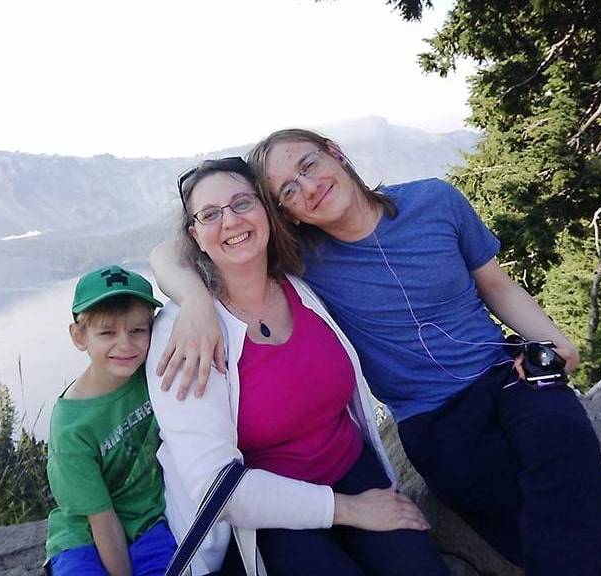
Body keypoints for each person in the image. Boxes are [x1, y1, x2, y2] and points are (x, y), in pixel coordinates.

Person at [150, 129, 601, 575]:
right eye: (289, 191)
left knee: (565, 445)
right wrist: (194, 301)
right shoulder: (303, 261)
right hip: (427, 417)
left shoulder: (423, 207)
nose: (308, 187)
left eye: (309, 165)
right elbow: (173, 251)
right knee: (505, 495)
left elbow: (495, 284)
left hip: (502, 370)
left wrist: (553, 340)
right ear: (286, 214)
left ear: (335, 151)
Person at [148, 157, 449, 576]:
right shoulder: (184, 334)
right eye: (211, 214)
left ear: (267, 211)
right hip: (265, 513)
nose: (231, 221)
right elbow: (216, 487)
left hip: (349, 466)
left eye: (242, 203)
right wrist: (350, 510)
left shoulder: (304, 281)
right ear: (194, 235)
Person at [45, 265, 176, 576]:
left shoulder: (151, 374)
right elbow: (101, 520)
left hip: (147, 523)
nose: (125, 345)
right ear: (79, 336)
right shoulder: (71, 427)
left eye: (137, 331)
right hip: (84, 537)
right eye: (107, 332)